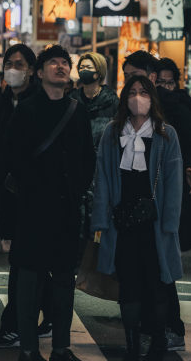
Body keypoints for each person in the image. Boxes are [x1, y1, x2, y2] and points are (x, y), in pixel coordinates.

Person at [7, 45, 95, 361]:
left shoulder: (77, 110)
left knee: (63, 282)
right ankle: (29, 348)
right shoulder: (26, 110)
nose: (59, 67)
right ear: (39, 72)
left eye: (64, 63)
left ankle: (61, 347)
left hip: (66, 210)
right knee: (29, 282)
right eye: (52, 63)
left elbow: (88, 159)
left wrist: (74, 191)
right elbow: (13, 159)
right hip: (33, 209)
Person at [92, 75, 183, 361]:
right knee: (128, 285)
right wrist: (102, 220)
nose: (137, 97)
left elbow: (174, 181)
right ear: (124, 99)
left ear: (152, 97)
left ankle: (157, 341)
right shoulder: (112, 132)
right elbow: (103, 178)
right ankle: (132, 345)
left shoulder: (166, 133)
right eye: (132, 92)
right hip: (122, 222)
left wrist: (169, 223)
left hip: (154, 223)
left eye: (143, 92)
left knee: (156, 284)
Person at [123, 50, 191, 349]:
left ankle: (170, 328)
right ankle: (153, 326)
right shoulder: (130, 114)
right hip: (137, 207)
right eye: (127, 78)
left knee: (161, 267)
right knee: (149, 269)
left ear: (151, 77)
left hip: (164, 203)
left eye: (134, 77)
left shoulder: (170, 110)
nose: (130, 84)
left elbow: (179, 159)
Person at [0, 44, 45, 350]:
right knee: (25, 260)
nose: (13, 69)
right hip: (8, 194)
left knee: (25, 262)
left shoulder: (41, 104)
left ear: (32, 70)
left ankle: (16, 325)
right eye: (9, 63)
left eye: (19, 64)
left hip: (34, 195)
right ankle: (35, 320)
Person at [74, 53, 118, 243]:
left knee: (99, 215)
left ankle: (96, 260)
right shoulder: (72, 101)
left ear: (99, 72)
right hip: (76, 166)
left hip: (102, 169)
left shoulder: (112, 102)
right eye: (82, 67)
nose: (84, 71)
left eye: (89, 68)